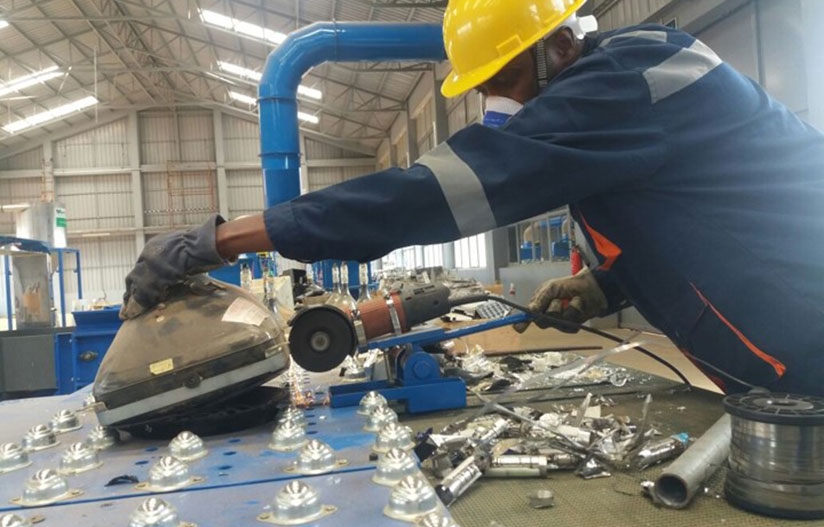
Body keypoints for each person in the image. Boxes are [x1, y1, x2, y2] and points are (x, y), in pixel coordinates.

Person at [120, 0, 824, 397]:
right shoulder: (619, 89)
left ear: (551, 48)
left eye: (502, 79)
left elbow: (419, 198)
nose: (499, 101)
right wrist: (607, 287)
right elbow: (694, 217)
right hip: (776, 362)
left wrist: (221, 240)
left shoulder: (626, 84)